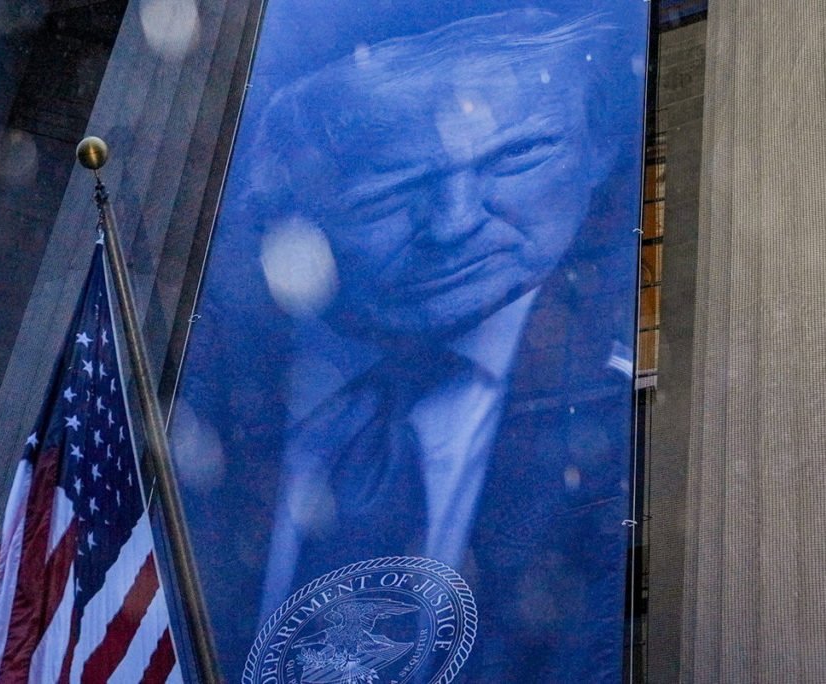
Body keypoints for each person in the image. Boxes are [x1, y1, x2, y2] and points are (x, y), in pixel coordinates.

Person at [172, 6, 644, 680]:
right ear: (293, 202)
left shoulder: (630, 424)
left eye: (516, 155)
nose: (454, 224)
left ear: (597, 149)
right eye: (390, 187)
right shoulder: (195, 400)